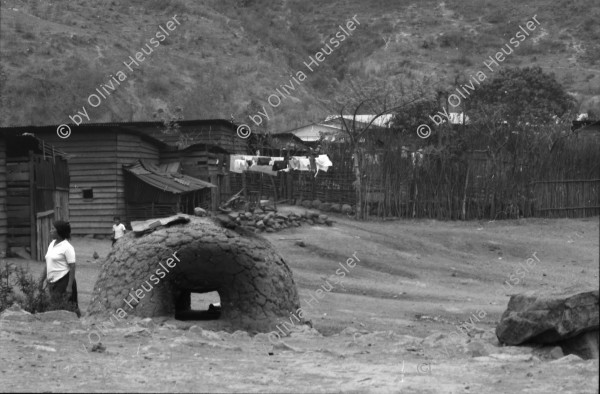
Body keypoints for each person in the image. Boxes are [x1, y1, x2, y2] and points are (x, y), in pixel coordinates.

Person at [39, 221, 80, 317]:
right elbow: (48, 263)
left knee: (64, 308)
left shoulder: (67, 247)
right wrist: (42, 280)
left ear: (60, 231)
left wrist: (69, 287)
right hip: (52, 282)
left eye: (53, 229)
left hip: (63, 281)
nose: (50, 231)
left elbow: (72, 266)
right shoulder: (52, 244)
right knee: (55, 306)